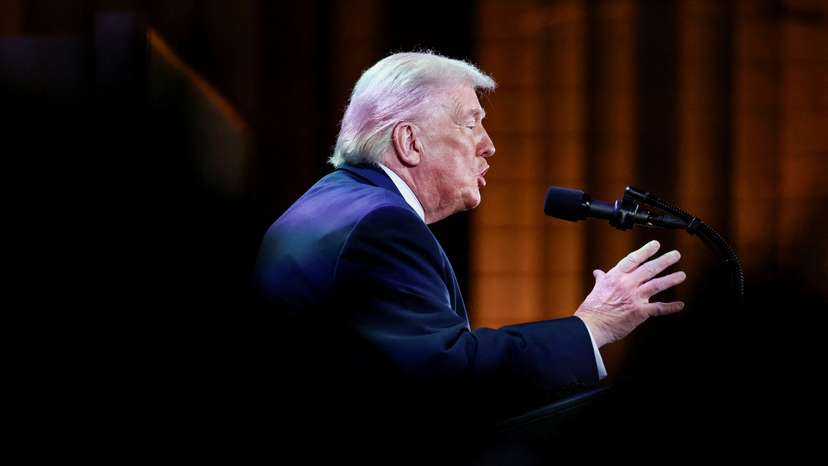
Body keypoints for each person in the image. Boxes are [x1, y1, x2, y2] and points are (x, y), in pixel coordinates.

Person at [253, 51, 686, 461]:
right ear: (409, 141)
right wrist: (590, 328)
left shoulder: (330, 202)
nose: (489, 145)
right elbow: (446, 381)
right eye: (471, 124)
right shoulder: (381, 226)